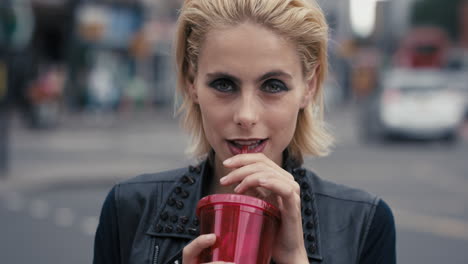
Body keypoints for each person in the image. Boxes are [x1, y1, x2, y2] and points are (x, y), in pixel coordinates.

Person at [93, 0, 396, 263]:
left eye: (273, 86)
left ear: (309, 86)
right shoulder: (127, 209)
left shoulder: (365, 223)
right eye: (224, 85)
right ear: (190, 83)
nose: (246, 116)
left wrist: (294, 259)